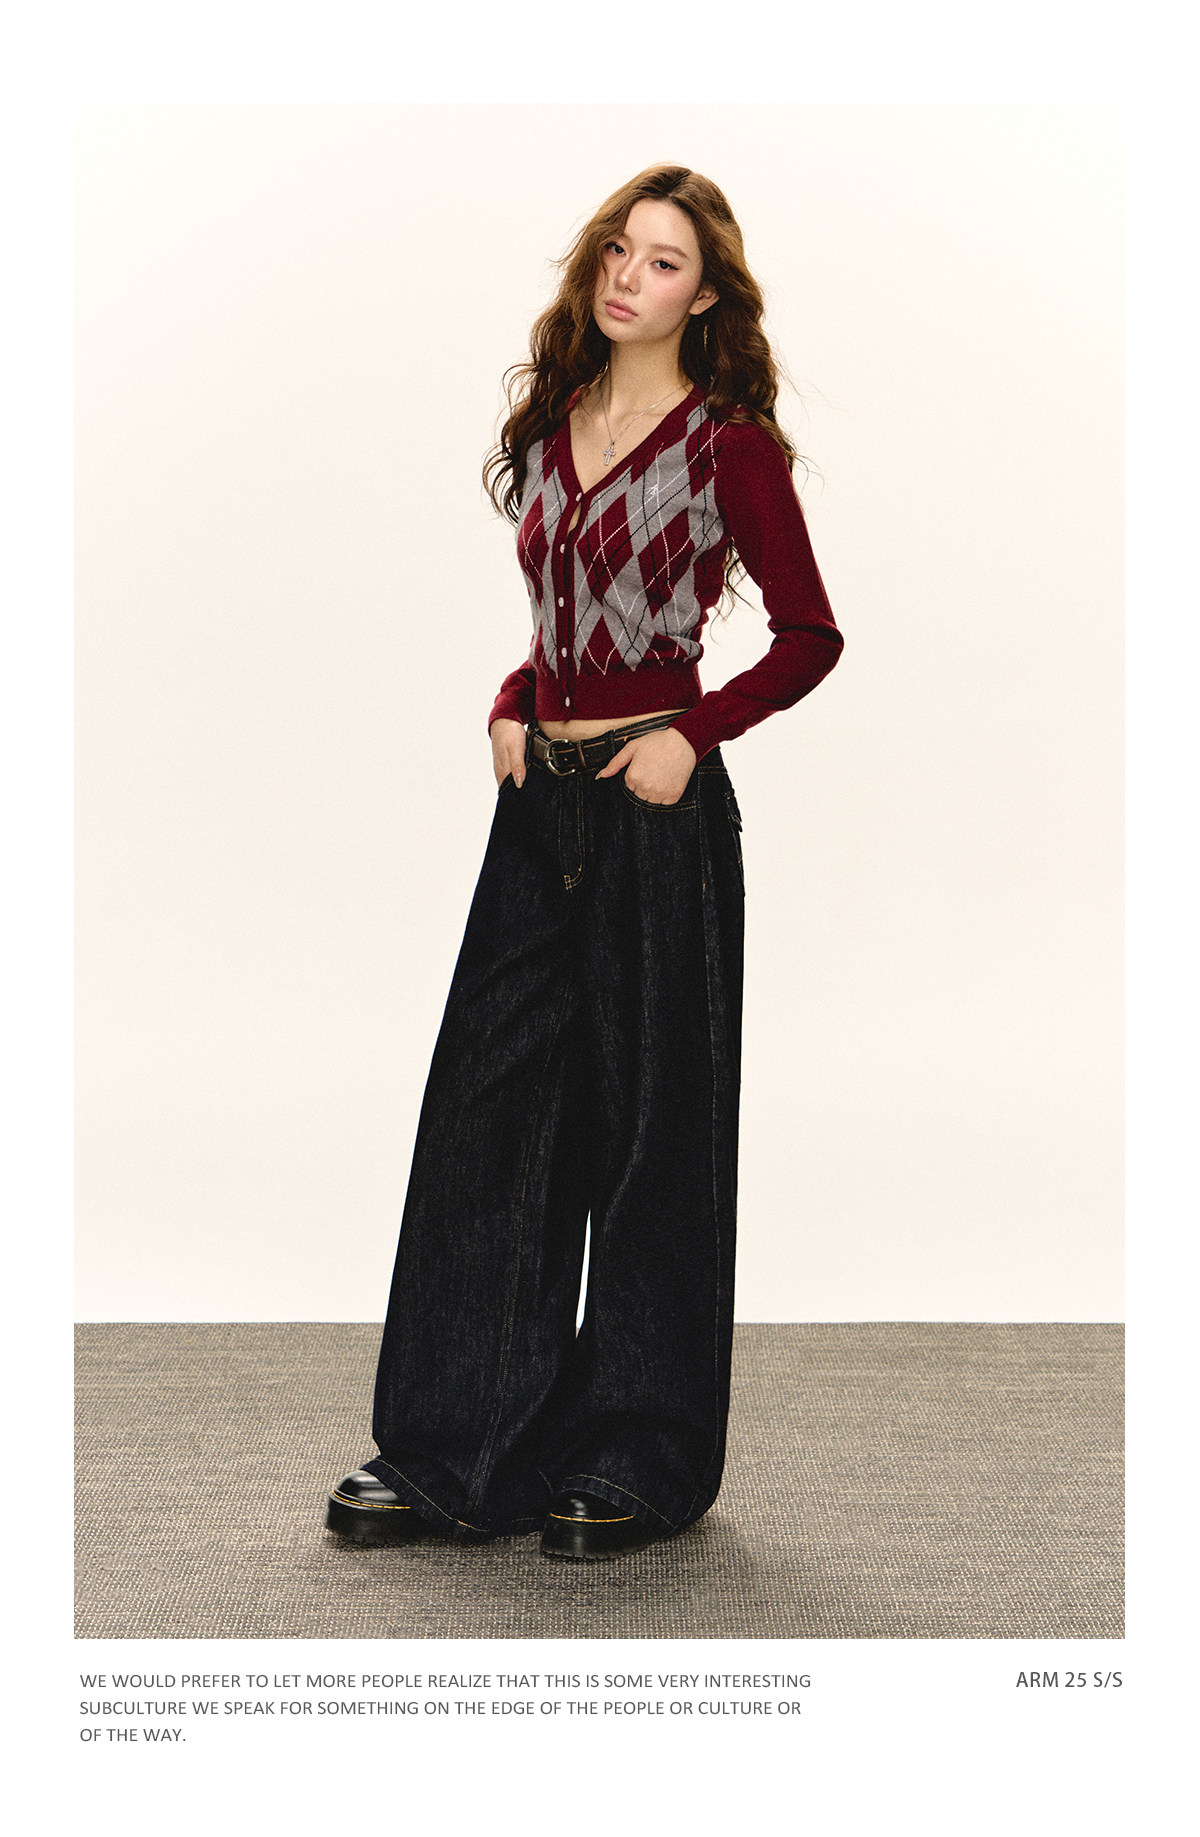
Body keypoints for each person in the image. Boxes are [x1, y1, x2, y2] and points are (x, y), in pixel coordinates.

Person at [325, 164, 843, 1562]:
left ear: (708, 296)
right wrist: (514, 697)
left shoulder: (729, 445)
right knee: (486, 1120)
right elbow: (567, 617)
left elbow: (809, 634)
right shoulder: (557, 424)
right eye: (619, 248)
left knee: (653, 1132)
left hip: (654, 814)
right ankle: (455, 1449)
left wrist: (694, 733)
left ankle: (637, 1458)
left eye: (664, 261)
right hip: (538, 810)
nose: (629, 275)